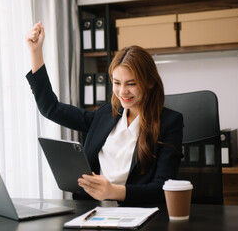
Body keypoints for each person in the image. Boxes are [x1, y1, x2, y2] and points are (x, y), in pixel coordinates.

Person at [25, 21, 183, 206]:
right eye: (117, 83)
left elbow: (161, 190)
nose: (123, 91)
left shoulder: (169, 123)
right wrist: (35, 52)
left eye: (131, 84)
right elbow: (51, 108)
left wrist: (112, 191)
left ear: (149, 83)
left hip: (135, 213)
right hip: (92, 210)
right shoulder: (105, 115)